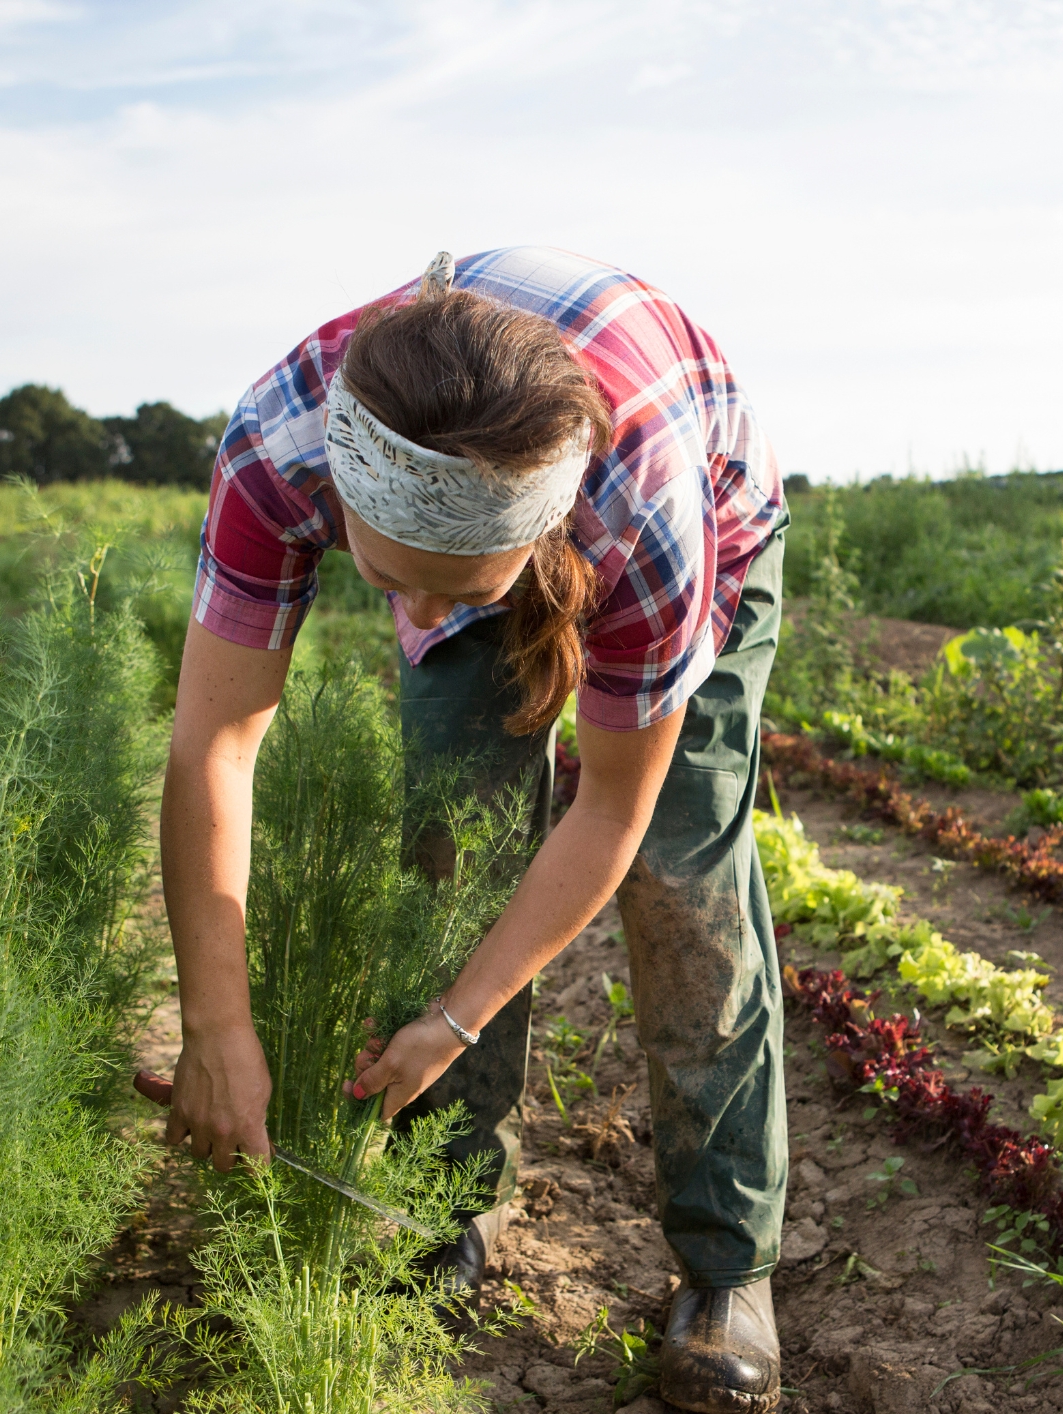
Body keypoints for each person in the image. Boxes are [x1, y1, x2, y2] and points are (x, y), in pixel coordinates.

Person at [161, 247, 788, 1413]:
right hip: (475, 519)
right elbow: (214, 745)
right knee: (447, 849)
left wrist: (454, 1021)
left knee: (679, 869)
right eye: (388, 580)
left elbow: (610, 807)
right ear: (344, 494)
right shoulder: (278, 449)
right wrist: (216, 1023)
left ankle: (724, 1264)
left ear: (533, 541)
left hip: (699, 499)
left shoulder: (642, 512)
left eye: (460, 593)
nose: (420, 617)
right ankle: (448, 1204)